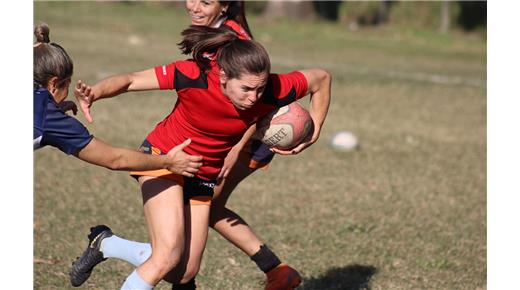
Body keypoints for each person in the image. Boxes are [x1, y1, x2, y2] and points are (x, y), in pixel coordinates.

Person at [69, 25, 331, 290]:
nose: (255, 98)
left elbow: (321, 79)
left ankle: (107, 243)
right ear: (224, 77)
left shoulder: (273, 89)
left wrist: (314, 132)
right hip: (164, 157)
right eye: (247, 89)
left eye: (260, 89)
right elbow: (132, 80)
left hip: (204, 174)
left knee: (182, 273)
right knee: (166, 256)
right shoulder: (194, 75)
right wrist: (95, 93)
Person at [33, 23, 203, 176]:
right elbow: (115, 159)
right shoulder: (48, 118)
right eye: (68, 83)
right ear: (54, 83)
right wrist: (168, 161)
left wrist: (54, 110)